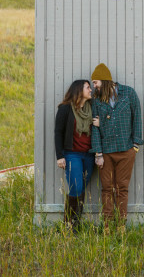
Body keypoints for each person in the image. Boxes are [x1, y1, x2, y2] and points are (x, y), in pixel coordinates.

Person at [91, 63, 144, 228]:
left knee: (122, 188)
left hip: (126, 150)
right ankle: (107, 227)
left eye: (95, 82)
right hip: (105, 152)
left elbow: (137, 118)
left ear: (105, 81)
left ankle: (121, 226)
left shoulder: (128, 93)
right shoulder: (96, 101)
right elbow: (95, 129)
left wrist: (135, 145)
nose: (94, 86)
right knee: (107, 189)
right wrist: (98, 153)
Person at [54, 80, 99, 230]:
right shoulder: (65, 108)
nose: (91, 90)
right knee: (76, 186)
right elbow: (58, 132)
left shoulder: (91, 107)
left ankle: (75, 223)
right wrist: (60, 156)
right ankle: (69, 225)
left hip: (88, 155)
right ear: (79, 90)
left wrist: (99, 123)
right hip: (72, 154)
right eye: (88, 87)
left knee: (80, 189)